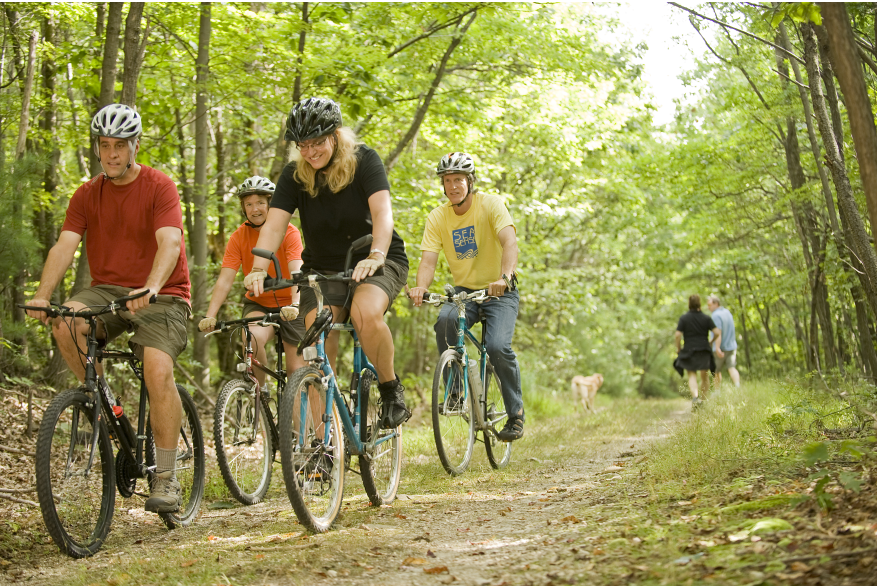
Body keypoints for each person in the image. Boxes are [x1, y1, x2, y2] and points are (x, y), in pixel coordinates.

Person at [25, 103, 190, 513]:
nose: (112, 153)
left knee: (157, 369)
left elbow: (170, 242)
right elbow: (65, 245)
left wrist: (151, 286)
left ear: (134, 146)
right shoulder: (86, 193)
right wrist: (44, 295)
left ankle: (167, 477)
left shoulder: (159, 186)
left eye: (120, 145)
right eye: (104, 145)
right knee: (65, 324)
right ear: (97, 148)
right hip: (108, 291)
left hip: (164, 294)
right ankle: (103, 405)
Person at [245, 97, 411, 429]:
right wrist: (258, 267)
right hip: (323, 270)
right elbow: (275, 225)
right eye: (302, 145)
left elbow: (383, 214)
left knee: (365, 313)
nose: (310, 151)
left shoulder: (364, 160)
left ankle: (390, 388)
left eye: (318, 142)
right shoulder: (294, 174)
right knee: (318, 342)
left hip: (377, 259)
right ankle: (322, 445)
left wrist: (376, 255)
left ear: (335, 135)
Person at [409, 152, 524, 441]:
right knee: (444, 323)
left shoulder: (491, 205)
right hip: (465, 292)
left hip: (499, 291)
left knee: (497, 346)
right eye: (447, 181)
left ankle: (515, 415)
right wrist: (421, 286)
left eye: (458, 179)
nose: (453, 186)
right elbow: (428, 261)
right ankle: (456, 393)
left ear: (469, 182)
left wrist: (505, 277)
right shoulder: (438, 217)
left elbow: (510, 242)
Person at [198, 176, 306, 385]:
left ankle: (297, 411)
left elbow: (296, 270)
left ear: (271, 205)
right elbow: (225, 280)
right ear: (243, 208)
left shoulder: (289, 232)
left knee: (296, 371)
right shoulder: (239, 236)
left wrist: (295, 303)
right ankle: (261, 395)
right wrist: (210, 316)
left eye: (260, 203)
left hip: (293, 303)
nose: (255, 209)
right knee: (251, 339)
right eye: (249, 204)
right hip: (260, 302)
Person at [674, 294, 722, 409]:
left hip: (689, 350)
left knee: (692, 375)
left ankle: (695, 398)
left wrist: (678, 348)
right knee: (704, 376)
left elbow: (677, 335)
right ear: (699, 304)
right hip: (704, 349)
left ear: (689, 304)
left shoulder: (684, 318)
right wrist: (711, 341)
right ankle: (703, 401)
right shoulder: (706, 318)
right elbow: (717, 332)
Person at [707, 294, 741, 389]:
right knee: (732, 368)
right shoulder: (727, 312)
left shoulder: (716, 315)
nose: (708, 307)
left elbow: (718, 333)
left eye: (709, 305)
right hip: (731, 346)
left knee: (716, 371)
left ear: (716, 303)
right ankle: (737, 387)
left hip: (721, 348)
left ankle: (717, 392)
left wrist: (717, 348)